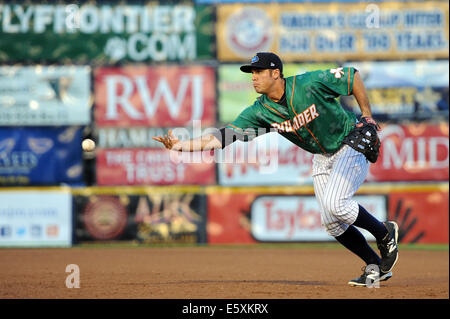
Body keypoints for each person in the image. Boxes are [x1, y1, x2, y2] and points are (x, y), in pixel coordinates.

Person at [153, 52, 399, 287]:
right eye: (252, 72)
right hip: (322, 157)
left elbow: (351, 75)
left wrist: (366, 115)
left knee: (336, 204)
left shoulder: (308, 83)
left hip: (349, 143)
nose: (254, 77)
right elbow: (222, 137)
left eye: (259, 71)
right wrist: (181, 145)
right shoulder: (260, 112)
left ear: (275, 73)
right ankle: (374, 266)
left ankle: (384, 232)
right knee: (331, 224)